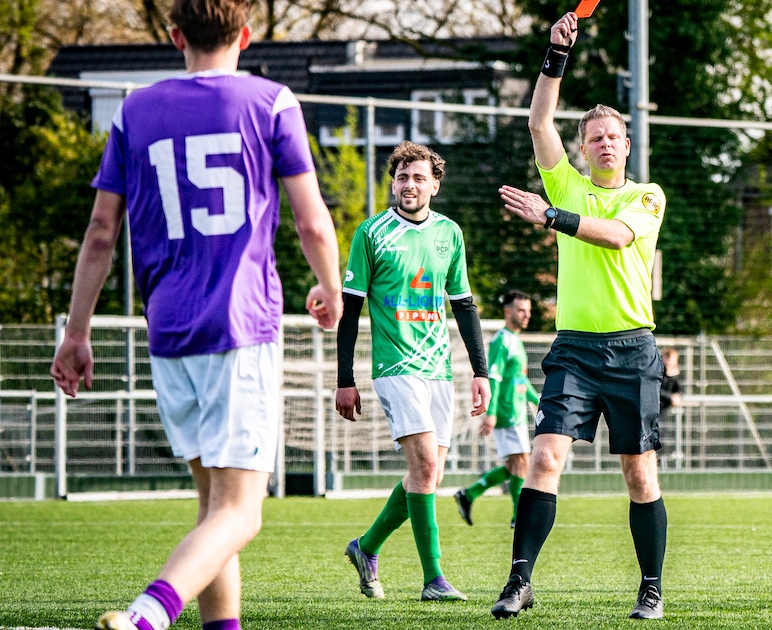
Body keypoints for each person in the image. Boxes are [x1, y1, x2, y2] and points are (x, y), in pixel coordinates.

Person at [50, 2, 344, 629]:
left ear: (176, 35)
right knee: (243, 511)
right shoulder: (271, 101)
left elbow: (102, 232)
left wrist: (76, 332)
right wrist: (329, 286)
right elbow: (311, 219)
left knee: (214, 507)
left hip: (169, 331)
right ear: (246, 34)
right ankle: (149, 616)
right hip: (239, 326)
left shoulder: (134, 109)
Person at [489, 11, 669, 620]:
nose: (605, 143)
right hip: (575, 348)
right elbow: (539, 120)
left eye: (613, 136)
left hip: (632, 349)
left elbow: (616, 237)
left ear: (626, 144)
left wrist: (549, 217)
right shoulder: (567, 184)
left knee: (639, 475)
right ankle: (519, 580)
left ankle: (650, 586)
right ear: (584, 149)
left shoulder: (645, 196)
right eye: (594, 138)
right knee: (544, 458)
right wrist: (554, 56)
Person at [334, 140, 490, 603]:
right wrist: (345, 378)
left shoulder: (450, 233)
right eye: (402, 177)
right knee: (423, 466)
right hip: (394, 366)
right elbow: (350, 310)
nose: (410, 185)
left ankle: (366, 548)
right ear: (393, 182)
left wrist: (480, 372)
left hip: (439, 369)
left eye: (419, 177)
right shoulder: (371, 233)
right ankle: (434, 579)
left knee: (429, 475)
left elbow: (463, 305)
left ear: (435, 185)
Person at [454, 290, 540, 528]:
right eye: (521, 310)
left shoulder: (516, 340)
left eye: (528, 310)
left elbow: (519, 380)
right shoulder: (502, 340)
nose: (526, 315)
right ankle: (517, 517)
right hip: (505, 412)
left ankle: (469, 494)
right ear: (508, 311)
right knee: (522, 462)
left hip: (517, 411)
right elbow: (494, 378)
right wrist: (491, 413)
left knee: (516, 464)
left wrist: (537, 398)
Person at [659, 348, 683, 412]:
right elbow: (654, 389)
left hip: (664, 408)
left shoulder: (674, 374)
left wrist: (678, 397)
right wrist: (670, 397)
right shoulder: (657, 371)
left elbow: (679, 389)